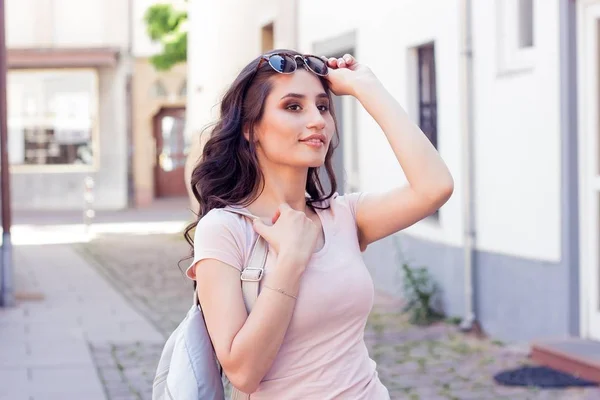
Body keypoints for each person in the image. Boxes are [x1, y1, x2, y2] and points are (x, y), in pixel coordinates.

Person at [184, 49, 454, 399]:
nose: (318, 121)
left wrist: (366, 87)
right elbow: (243, 372)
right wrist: (291, 259)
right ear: (251, 128)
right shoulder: (224, 229)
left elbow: (435, 187)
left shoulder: (342, 215)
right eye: (293, 107)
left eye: (323, 106)